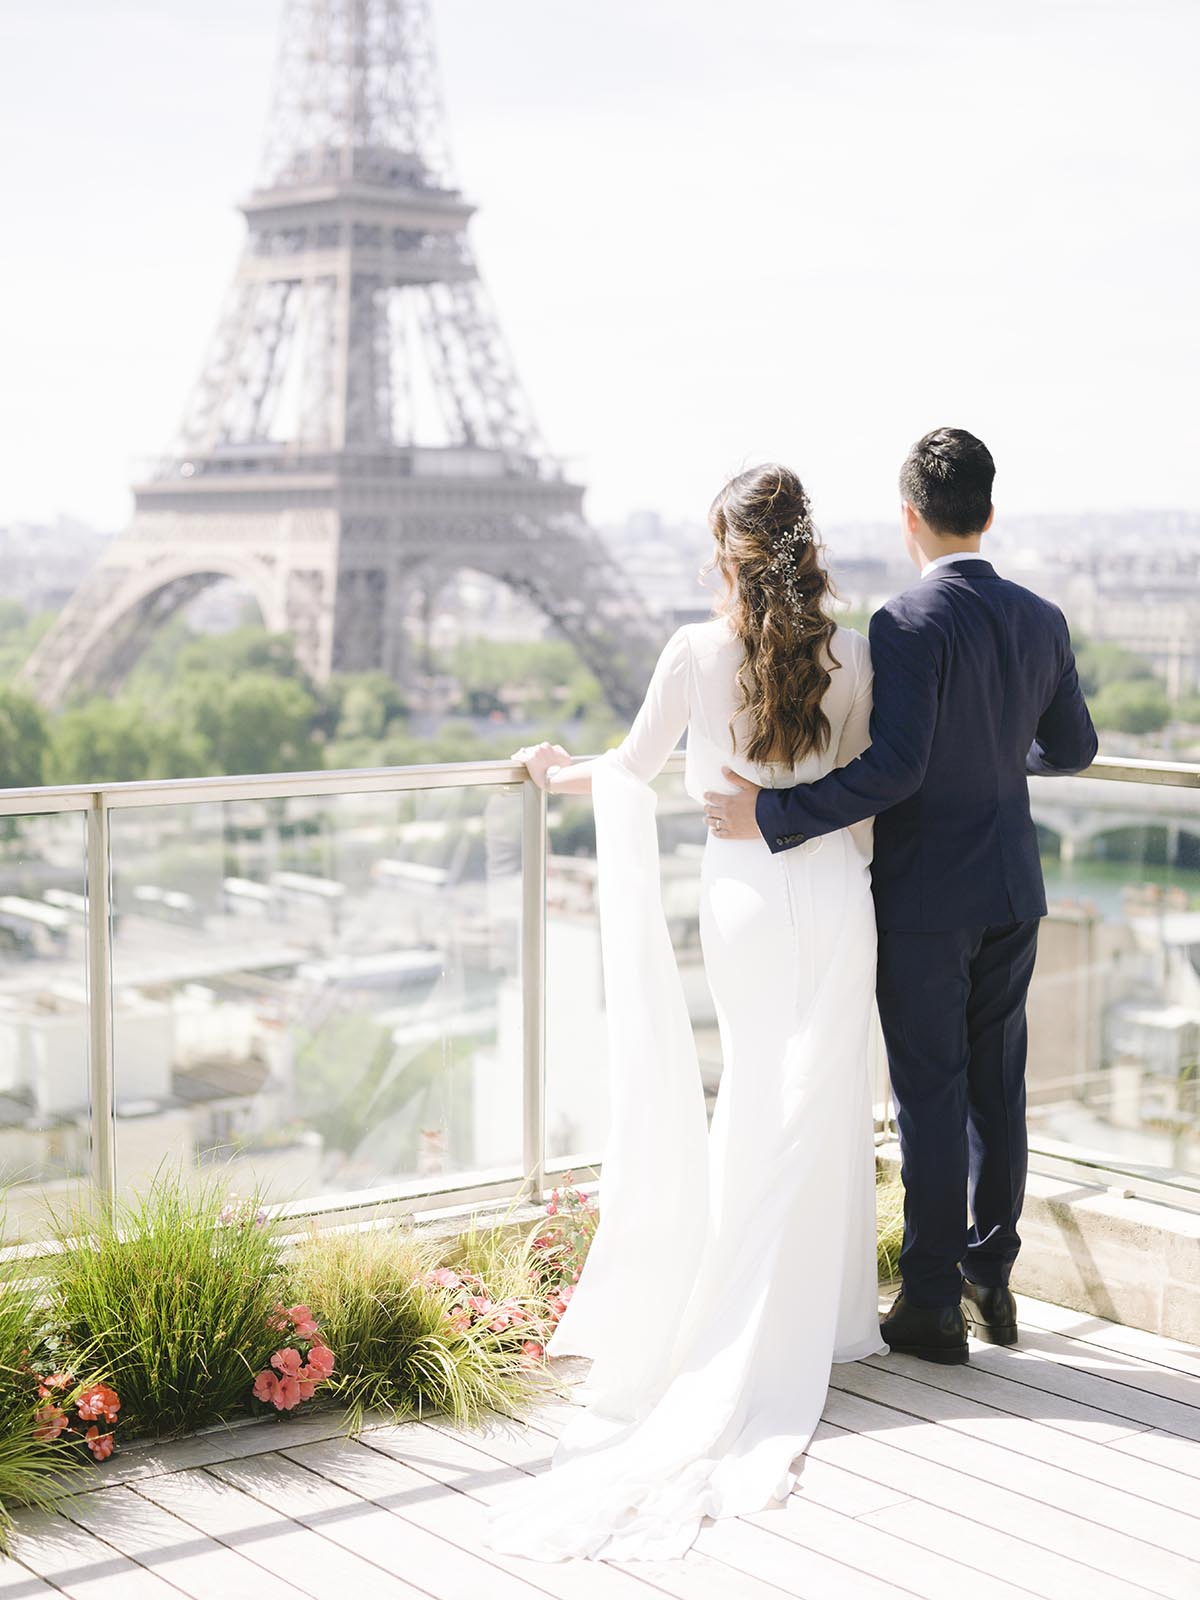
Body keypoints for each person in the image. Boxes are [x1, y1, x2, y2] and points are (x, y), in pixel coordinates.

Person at [481, 463, 886, 1564]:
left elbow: (631, 770)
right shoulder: (856, 651)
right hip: (836, 894)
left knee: (754, 1096)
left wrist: (554, 771)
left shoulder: (693, 652)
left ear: (728, 553)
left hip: (745, 893)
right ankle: (832, 1319)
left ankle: (736, 1312)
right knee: (825, 1100)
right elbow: (862, 789)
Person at [704, 427, 1098, 1364]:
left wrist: (776, 813)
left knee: (929, 1091)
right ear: (989, 513)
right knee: (997, 1090)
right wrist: (1007, 759)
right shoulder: (1043, 617)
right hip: (1013, 882)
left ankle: (928, 1307)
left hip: (927, 895)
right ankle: (989, 1274)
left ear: (910, 516)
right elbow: (1074, 750)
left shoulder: (905, 622)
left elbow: (896, 768)